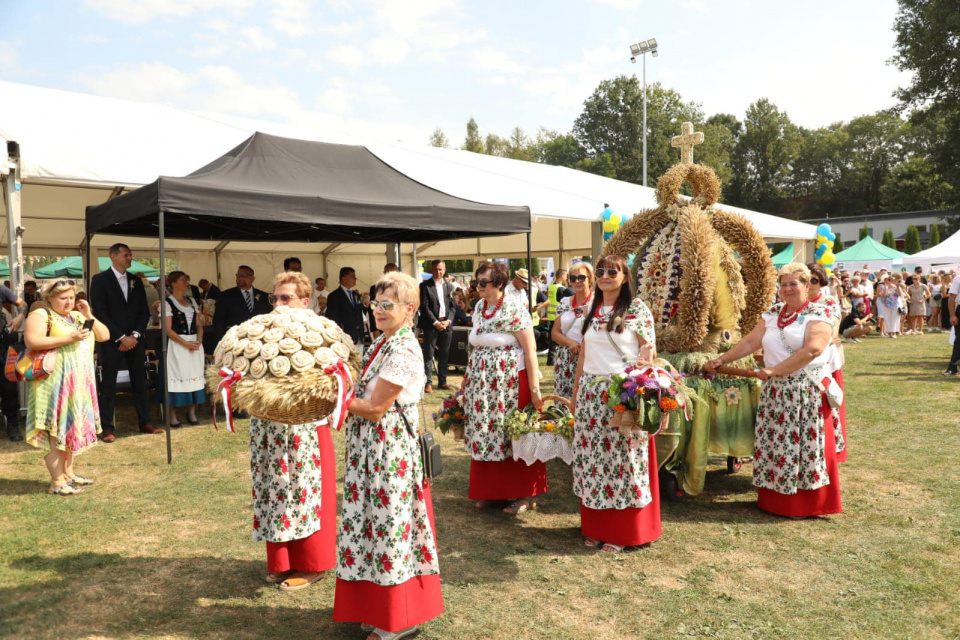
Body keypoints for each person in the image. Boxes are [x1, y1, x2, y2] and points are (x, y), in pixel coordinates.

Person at [333, 272, 443, 640]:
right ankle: (375, 606)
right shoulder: (383, 342)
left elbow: (377, 407)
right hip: (370, 448)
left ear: (409, 309)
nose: (378, 311)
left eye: (387, 305)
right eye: (374, 303)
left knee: (390, 527)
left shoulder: (405, 348)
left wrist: (332, 399)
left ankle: (398, 618)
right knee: (369, 525)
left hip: (388, 448)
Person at [704, 262, 842, 518]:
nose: (787, 289)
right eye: (783, 284)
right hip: (775, 392)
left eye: (794, 283)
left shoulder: (819, 313)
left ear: (807, 285)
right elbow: (750, 341)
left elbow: (813, 349)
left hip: (803, 391)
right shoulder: (773, 312)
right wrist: (723, 359)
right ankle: (773, 500)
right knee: (776, 445)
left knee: (800, 447)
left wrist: (774, 370)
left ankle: (804, 504)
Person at [249, 271, 337, 591]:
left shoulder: (321, 331)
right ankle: (282, 560)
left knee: (306, 495)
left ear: (305, 301)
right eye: (275, 298)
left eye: (286, 298)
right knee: (276, 492)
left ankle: (313, 564)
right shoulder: (264, 330)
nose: (278, 304)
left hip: (305, 426)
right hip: (270, 425)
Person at [570, 255, 661, 552]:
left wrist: (635, 391)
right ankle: (597, 526)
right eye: (600, 271)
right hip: (589, 394)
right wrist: (575, 396)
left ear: (625, 276)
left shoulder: (636, 309)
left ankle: (623, 532)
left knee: (622, 462)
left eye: (613, 271)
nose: (605, 276)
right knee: (593, 461)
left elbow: (648, 351)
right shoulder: (592, 308)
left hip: (621, 393)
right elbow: (584, 355)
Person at [461, 261, 546, 515]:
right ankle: (492, 492)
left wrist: (534, 389)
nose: (479, 287)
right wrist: (467, 376)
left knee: (513, 434)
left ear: (499, 284)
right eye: (477, 282)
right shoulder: (478, 307)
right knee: (487, 432)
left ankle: (525, 495)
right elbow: (475, 343)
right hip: (482, 383)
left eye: (484, 283)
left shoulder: (515, 308)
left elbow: (530, 350)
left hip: (510, 382)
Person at [24, 280, 110, 494]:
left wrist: (89, 314)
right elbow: (32, 341)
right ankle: (56, 482)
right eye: (63, 298)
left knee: (71, 428)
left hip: (79, 384)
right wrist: (68, 338)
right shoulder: (42, 315)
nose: (69, 302)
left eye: (71, 297)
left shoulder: (78, 316)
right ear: (50, 299)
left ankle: (68, 475)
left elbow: (104, 335)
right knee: (56, 431)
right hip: (54, 384)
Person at [89, 243, 161, 442]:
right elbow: (100, 312)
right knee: (109, 384)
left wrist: (135, 336)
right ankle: (108, 428)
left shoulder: (135, 281)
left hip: (135, 341)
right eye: (126, 255)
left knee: (140, 381)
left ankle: (145, 421)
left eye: (130, 255)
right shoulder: (100, 280)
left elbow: (143, 311)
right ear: (113, 256)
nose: (130, 258)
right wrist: (121, 337)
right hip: (112, 340)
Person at [807, 262, 847, 464]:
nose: (809, 284)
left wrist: (810, 347)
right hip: (802, 363)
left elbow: (833, 333)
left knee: (830, 403)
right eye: (805, 279)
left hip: (825, 362)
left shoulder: (828, 302)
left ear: (821, 282)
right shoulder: (794, 302)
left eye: (814, 280)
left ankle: (831, 449)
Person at [161, 271, 205, 427]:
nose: (187, 283)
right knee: (176, 377)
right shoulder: (167, 303)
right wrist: (185, 343)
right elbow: (167, 329)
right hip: (177, 345)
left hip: (194, 344)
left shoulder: (192, 301)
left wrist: (198, 340)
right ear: (173, 284)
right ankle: (172, 415)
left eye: (187, 280)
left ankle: (192, 412)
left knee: (194, 376)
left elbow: (199, 325)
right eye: (183, 281)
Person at [550, 263, 593, 400]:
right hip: (564, 359)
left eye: (581, 277)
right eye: (573, 278)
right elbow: (554, 333)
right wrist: (570, 343)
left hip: (588, 357)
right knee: (563, 399)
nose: (577, 281)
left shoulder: (597, 302)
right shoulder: (564, 302)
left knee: (584, 396)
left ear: (590, 279)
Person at [418, 259, 456, 394]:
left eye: (440, 269)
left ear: (444, 270)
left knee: (444, 354)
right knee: (429, 354)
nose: (438, 272)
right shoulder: (424, 286)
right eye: (435, 269)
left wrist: (448, 321)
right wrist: (435, 322)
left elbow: (452, 307)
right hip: (431, 325)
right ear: (431, 270)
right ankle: (428, 382)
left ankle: (442, 382)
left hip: (446, 325)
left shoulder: (449, 286)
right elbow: (424, 307)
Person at [212, 265, 272, 343]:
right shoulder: (225, 295)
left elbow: (269, 318)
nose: (240, 278)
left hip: (259, 340)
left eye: (244, 275)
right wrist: (220, 341)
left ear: (253, 278)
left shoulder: (264, 296)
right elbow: (218, 322)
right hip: (234, 340)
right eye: (238, 275)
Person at [326, 267, 364, 344]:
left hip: (359, 336)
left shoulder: (356, 295)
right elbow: (333, 317)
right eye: (353, 276)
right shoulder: (334, 296)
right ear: (344, 278)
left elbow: (359, 314)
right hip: (344, 336)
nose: (355, 279)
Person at [544, 269, 573, 366]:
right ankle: (552, 360)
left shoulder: (551, 286)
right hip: (558, 316)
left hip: (551, 315)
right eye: (566, 275)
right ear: (562, 275)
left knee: (552, 340)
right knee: (556, 340)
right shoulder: (561, 288)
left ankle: (550, 359)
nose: (566, 277)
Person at [942, 272, 960, 376]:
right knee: (959, 341)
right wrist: (952, 315)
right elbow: (952, 297)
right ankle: (953, 368)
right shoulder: (958, 279)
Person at [876, 274, 903, 338]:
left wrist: (898, 287)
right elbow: (883, 296)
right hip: (886, 305)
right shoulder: (884, 287)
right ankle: (889, 333)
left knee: (894, 319)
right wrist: (886, 288)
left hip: (895, 305)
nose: (888, 282)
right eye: (887, 280)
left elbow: (899, 294)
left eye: (890, 280)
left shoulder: (896, 287)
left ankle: (893, 333)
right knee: (887, 319)